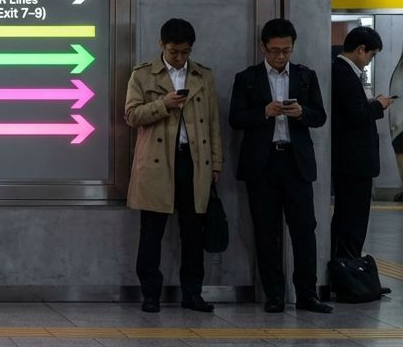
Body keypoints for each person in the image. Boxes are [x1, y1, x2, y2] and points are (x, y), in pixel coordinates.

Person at [230, 18, 331, 314]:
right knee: (266, 231)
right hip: (262, 164)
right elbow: (235, 118)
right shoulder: (247, 77)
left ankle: (307, 294)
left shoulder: (305, 76)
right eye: (275, 51)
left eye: (286, 50)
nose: (280, 56)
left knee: (304, 230)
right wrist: (264, 112)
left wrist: (301, 113)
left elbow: (321, 116)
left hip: (296, 162)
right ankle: (274, 294)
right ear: (263, 47)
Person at [124, 18, 222, 313]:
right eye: (174, 51)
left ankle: (192, 294)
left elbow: (214, 123)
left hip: (194, 163)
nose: (179, 57)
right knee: (151, 233)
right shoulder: (143, 75)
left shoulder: (202, 76)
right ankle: (150, 294)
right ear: (161, 45)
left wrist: (216, 163)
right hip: (156, 165)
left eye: (185, 52)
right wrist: (163, 104)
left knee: (193, 233)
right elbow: (131, 115)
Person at [331, 27, 393, 261]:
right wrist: (379, 106)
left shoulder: (342, 71)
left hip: (351, 161)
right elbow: (355, 115)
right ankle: (351, 271)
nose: (369, 61)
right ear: (360, 50)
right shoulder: (344, 73)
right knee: (353, 219)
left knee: (348, 218)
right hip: (353, 162)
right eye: (372, 54)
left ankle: (348, 268)